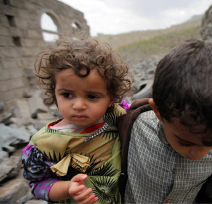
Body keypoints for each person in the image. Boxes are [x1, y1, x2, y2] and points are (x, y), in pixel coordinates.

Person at [118, 39, 212, 203]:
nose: (199, 155)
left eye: (211, 145)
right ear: (158, 111)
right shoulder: (134, 128)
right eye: (186, 142)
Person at [21, 38, 133, 204]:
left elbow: (141, 114)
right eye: (67, 95)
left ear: (111, 98)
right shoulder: (43, 144)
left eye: (92, 96)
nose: (79, 105)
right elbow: (37, 184)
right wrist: (68, 189)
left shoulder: (115, 113)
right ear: (54, 93)